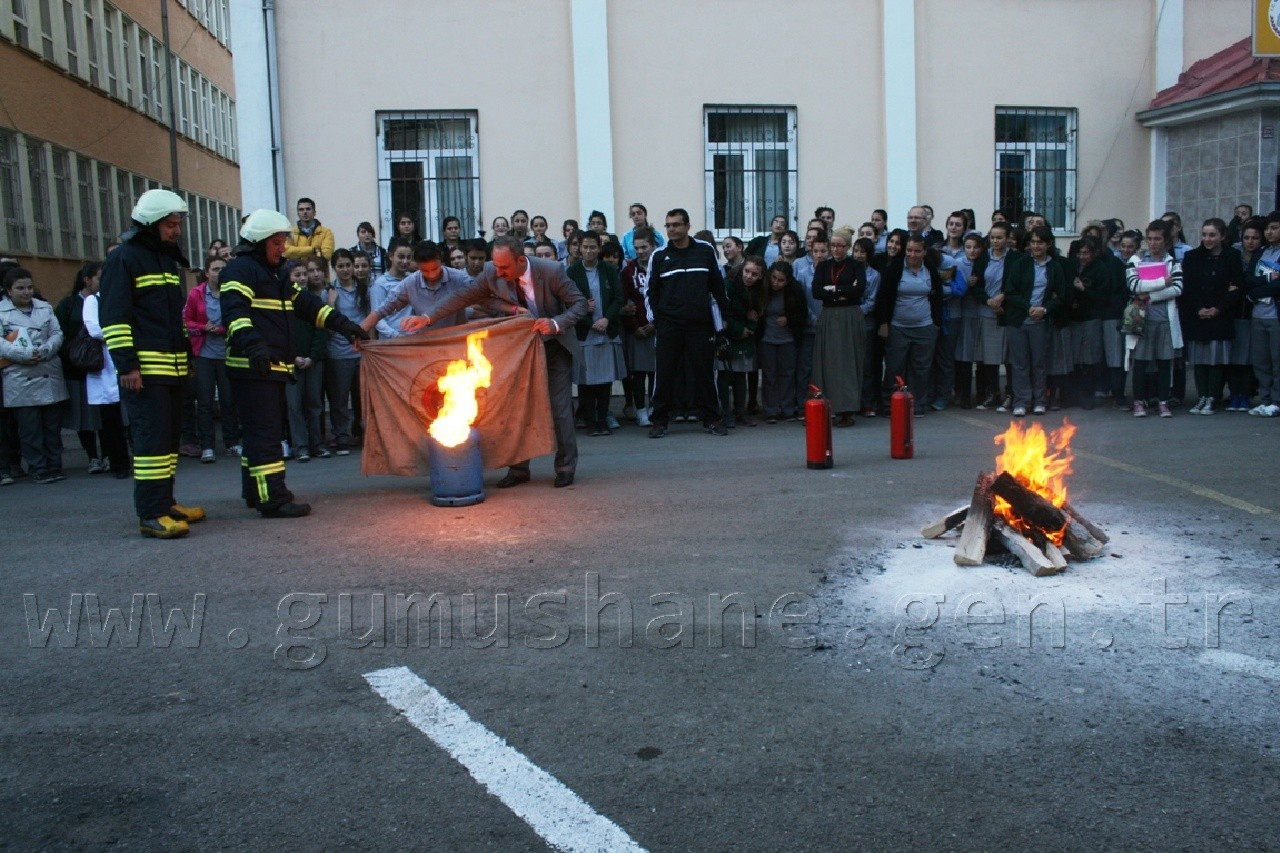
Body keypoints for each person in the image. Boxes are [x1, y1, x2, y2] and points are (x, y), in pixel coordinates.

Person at [402, 235, 589, 487]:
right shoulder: (492, 270)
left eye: (504, 268)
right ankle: (519, 468)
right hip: (520, 349)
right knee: (516, 408)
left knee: (560, 408)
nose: (497, 273)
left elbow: (579, 304)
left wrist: (555, 323)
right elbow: (464, 296)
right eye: (496, 266)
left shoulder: (552, 271)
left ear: (521, 260)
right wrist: (427, 317)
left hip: (555, 346)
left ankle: (565, 466)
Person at [221, 210, 369, 518]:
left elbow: (308, 306)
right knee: (266, 434)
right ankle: (274, 499)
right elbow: (235, 314)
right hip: (253, 367)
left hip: (269, 366)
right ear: (259, 242)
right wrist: (254, 347)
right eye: (277, 243)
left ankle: (255, 491)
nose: (283, 249)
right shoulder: (240, 271)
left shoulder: (276, 275)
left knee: (258, 434)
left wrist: (346, 326)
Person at [96, 189, 204, 537]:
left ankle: (166, 502)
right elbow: (114, 318)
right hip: (144, 371)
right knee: (151, 444)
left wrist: (185, 358)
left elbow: (175, 319)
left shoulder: (165, 260)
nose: (177, 231)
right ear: (150, 224)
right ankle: (151, 514)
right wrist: (127, 366)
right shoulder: (124, 259)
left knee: (168, 441)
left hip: (169, 369)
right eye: (171, 225)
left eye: (178, 225)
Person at [644, 209, 730, 438]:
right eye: (668, 225)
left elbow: (718, 288)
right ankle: (659, 421)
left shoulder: (705, 250)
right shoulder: (659, 256)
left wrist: (722, 320)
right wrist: (656, 320)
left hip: (700, 325)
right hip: (669, 326)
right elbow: (650, 291)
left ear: (687, 226)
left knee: (704, 374)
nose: (672, 229)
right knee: (664, 374)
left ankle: (712, 419)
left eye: (676, 225)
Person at [0, 268, 67, 484]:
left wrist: (46, 349)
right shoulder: (1, 311)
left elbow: (57, 333)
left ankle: (55, 465)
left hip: (48, 369)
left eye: (29, 287)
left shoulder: (45, 307)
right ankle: (38, 467)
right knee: (30, 428)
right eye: (20, 288)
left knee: (51, 425)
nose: (26, 292)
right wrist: (25, 354)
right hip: (20, 374)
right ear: (8, 291)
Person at [1179, 218, 1243, 415]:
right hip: (1198, 314)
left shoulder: (1232, 256)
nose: (1208, 239)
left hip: (1220, 315)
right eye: (1205, 234)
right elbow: (1188, 286)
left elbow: (1235, 286)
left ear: (1222, 236)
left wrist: (1218, 308)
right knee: (1199, 358)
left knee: (1216, 358)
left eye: (1212, 235)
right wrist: (1199, 308)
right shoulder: (1192, 256)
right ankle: (1201, 396)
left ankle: (1212, 397)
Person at [877, 235, 944, 417]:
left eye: (917, 251)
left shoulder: (930, 270)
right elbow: (883, 297)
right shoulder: (895, 269)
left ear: (924, 252)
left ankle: (917, 404)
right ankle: (890, 404)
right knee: (894, 367)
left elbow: (937, 296)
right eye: (909, 250)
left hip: (925, 326)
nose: (912, 254)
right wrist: (884, 323)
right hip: (898, 326)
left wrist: (936, 324)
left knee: (921, 368)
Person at [566, 230, 625, 435]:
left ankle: (602, 420)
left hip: (606, 330)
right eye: (585, 247)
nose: (589, 251)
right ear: (579, 249)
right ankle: (590, 422)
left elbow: (618, 298)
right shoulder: (572, 272)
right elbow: (568, 302)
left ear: (599, 248)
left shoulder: (608, 269)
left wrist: (606, 319)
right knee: (586, 381)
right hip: (585, 333)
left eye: (593, 247)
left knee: (604, 380)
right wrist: (588, 319)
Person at [183, 254, 241, 462]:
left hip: (226, 353)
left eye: (222, 269)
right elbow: (186, 320)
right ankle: (207, 445)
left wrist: (223, 329)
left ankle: (232, 443)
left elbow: (239, 318)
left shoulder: (231, 292)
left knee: (229, 400)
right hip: (204, 354)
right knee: (205, 401)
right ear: (207, 273)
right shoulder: (196, 294)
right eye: (215, 269)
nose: (219, 273)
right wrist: (202, 328)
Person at [1126, 219, 1184, 418]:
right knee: (1141, 363)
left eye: (1157, 239)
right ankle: (1139, 401)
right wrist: (1162, 282)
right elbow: (1134, 286)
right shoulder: (1136, 260)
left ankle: (1163, 401)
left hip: (1165, 320)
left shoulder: (1173, 262)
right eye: (1149, 239)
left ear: (1166, 241)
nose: (1153, 243)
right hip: (1142, 320)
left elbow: (1177, 288)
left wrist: (1149, 295)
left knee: (1164, 363)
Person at [55, 262, 109, 472]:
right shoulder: (68, 304)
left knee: (105, 414)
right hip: (78, 369)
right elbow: (60, 334)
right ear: (87, 280)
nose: (102, 282)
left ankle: (108, 454)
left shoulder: (107, 300)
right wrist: (74, 356)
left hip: (104, 367)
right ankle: (92, 457)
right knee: (84, 416)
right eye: (99, 278)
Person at [812, 229, 867, 427]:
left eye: (840, 245)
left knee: (849, 362)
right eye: (833, 245)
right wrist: (844, 291)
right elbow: (816, 291)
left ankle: (848, 409)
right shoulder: (823, 266)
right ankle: (829, 406)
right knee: (829, 363)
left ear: (848, 246)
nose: (836, 249)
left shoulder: (856, 265)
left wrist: (833, 289)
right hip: (829, 317)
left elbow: (859, 290)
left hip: (849, 316)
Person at [359, 240, 473, 335]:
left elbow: (480, 293)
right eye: (425, 271)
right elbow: (381, 310)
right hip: (427, 345)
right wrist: (359, 332)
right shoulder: (410, 284)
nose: (431, 275)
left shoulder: (459, 279)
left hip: (457, 342)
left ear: (441, 262)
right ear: (417, 266)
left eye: (435, 269)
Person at [80, 277, 130, 478]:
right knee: (111, 419)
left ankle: (134, 459)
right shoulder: (93, 301)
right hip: (106, 367)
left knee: (134, 417)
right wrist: (125, 335)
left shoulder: (124, 297)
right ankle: (119, 463)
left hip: (127, 360)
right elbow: (95, 330)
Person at [324, 248, 369, 454]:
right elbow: (326, 322)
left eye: (347, 265)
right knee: (340, 399)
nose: (345, 270)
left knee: (362, 398)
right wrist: (331, 304)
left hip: (361, 351)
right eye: (340, 266)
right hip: (338, 352)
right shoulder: (329, 292)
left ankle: (362, 434)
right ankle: (341, 436)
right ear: (334, 269)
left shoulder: (364, 289)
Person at [757, 260, 809, 423]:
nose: (776, 283)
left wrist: (789, 319)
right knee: (769, 375)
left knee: (787, 373)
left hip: (788, 338)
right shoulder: (763, 289)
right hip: (767, 338)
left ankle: (787, 409)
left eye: (780, 280)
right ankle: (770, 410)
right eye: (773, 278)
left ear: (787, 281)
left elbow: (802, 314)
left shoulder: (795, 290)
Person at [718, 256, 765, 428]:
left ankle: (740, 412)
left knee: (740, 375)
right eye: (747, 271)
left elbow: (756, 313)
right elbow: (724, 312)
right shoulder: (729, 285)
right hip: (727, 334)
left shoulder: (758, 290)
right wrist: (739, 329)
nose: (749, 276)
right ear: (742, 269)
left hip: (746, 335)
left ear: (760, 276)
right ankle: (725, 412)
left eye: (754, 274)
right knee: (724, 374)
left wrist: (749, 326)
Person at [620, 227, 657, 427]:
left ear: (652, 246)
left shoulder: (660, 267)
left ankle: (653, 407)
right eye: (637, 248)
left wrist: (655, 324)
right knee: (638, 373)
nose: (640, 251)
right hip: (636, 330)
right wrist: (635, 327)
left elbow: (665, 299)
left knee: (655, 372)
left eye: (644, 247)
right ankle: (640, 409)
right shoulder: (628, 271)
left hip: (656, 328)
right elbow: (624, 301)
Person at [1245, 212, 1280, 416]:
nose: (1269, 232)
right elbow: (1248, 278)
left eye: (1274, 228)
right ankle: (1265, 398)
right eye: (1267, 228)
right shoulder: (1262, 252)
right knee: (1261, 360)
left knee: (1277, 360)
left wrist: (1256, 292)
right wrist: (1267, 280)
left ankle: (1277, 400)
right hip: (1258, 315)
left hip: (1275, 315)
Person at [369, 238, 415, 339]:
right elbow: (376, 319)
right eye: (401, 257)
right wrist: (397, 336)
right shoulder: (380, 284)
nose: (405, 261)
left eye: (408, 257)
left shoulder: (413, 279)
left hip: (412, 339)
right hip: (390, 343)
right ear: (391, 256)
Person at [283, 197, 335, 262]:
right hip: (299, 271)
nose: (305, 212)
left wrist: (297, 252)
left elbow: (326, 255)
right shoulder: (290, 232)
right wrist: (313, 250)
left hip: (318, 271)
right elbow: (285, 252)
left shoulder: (326, 232)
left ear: (314, 212)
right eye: (301, 209)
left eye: (308, 209)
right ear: (298, 213)